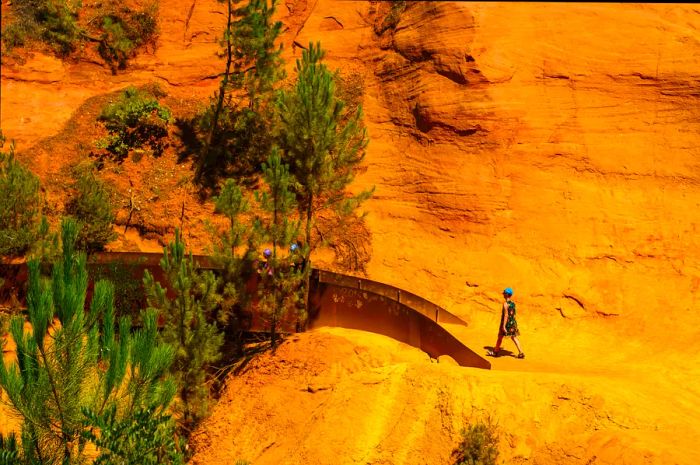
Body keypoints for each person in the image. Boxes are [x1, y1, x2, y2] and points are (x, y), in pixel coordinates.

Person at [487, 287, 525, 359]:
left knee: (500, 337)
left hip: (506, 324)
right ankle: (521, 352)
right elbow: (513, 314)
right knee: (514, 337)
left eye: (504, 293)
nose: (503, 294)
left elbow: (506, 315)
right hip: (513, 323)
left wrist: (504, 326)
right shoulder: (513, 304)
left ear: (507, 294)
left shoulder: (505, 304)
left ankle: (495, 352)